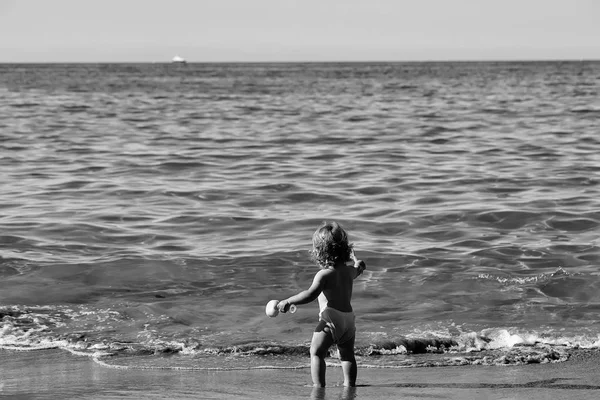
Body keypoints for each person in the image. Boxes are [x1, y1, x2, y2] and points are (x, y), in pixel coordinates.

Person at [277, 221, 366, 387]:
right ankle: (349, 385)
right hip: (348, 319)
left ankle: (318, 387)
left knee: (316, 352)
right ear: (345, 249)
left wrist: (289, 301)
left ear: (320, 252)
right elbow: (358, 270)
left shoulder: (324, 275)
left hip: (331, 318)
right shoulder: (348, 272)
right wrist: (359, 266)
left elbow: (310, 294)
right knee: (347, 355)